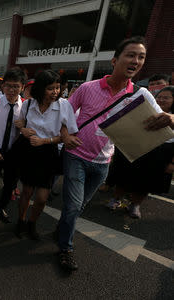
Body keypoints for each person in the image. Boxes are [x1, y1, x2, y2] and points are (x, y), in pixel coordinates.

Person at [57, 36, 164, 271]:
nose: (136, 60)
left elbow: (163, 122)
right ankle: (65, 248)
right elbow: (64, 114)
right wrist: (65, 136)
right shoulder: (87, 88)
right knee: (74, 205)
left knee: (78, 205)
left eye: (141, 57)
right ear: (115, 60)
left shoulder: (141, 94)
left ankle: (64, 226)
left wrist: (171, 118)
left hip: (103, 162)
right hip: (76, 156)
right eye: (131, 55)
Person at [14, 70, 78, 239]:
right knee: (26, 191)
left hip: (49, 152)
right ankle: (20, 221)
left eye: (57, 88)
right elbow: (20, 123)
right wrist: (23, 129)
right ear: (41, 89)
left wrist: (45, 141)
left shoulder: (64, 106)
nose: (55, 92)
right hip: (29, 151)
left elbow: (68, 135)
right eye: (50, 88)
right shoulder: (28, 104)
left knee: (42, 197)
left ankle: (32, 223)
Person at [106, 86, 174, 218]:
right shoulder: (147, 109)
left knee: (146, 180)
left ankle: (135, 204)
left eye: (166, 97)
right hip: (138, 145)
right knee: (125, 172)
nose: (161, 100)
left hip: (162, 151)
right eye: (159, 97)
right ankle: (116, 198)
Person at [0, 67, 26, 226]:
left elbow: (28, 131)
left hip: (13, 151)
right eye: (8, 85)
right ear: (2, 86)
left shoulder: (25, 107)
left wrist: (24, 126)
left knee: (10, 184)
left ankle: (1, 207)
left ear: (22, 87)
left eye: (16, 86)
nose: (11, 90)